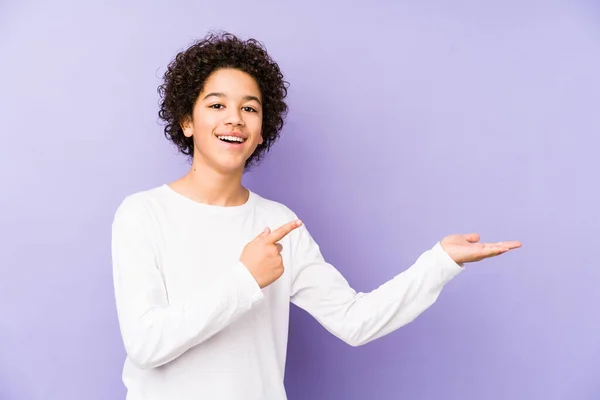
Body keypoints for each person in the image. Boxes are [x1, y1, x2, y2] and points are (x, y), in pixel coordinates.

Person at [110, 32, 521, 400]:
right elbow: (146, 344)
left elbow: (354, 320)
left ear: (262, 127)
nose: (234, 118)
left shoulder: (278, 223)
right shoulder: (143, 214)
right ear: (186, 121)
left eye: (250, 108)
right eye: (216, 104)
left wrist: (439, 262)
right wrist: (244, 279)